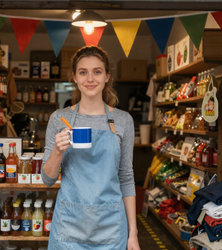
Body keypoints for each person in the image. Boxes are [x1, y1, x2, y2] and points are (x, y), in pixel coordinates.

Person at [42, 46, 140, 250]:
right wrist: (58, 151)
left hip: (111, 227)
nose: (90, 79)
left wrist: (133, 234)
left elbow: (126, 178)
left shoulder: (123, 120)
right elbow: (48, 179)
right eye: (83, 72)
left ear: (107, 77)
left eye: (97, 71)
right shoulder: (59, 119)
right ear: (75, 78)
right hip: (70, 225)